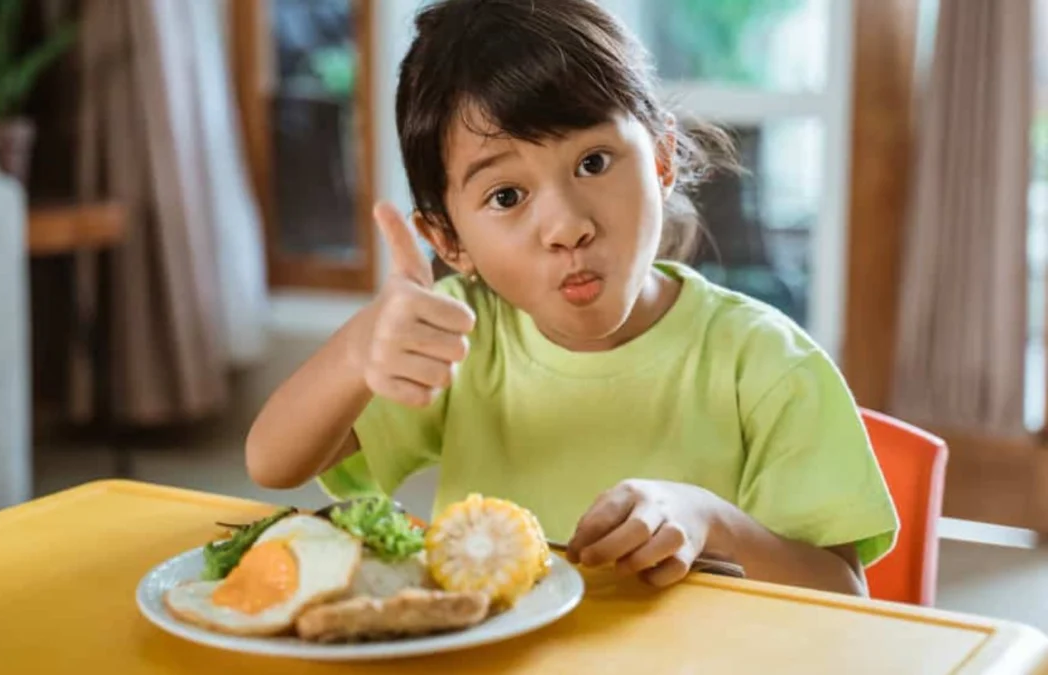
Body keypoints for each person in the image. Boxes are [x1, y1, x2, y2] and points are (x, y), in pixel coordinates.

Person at [245, 0, 897, 595]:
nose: (567, 227)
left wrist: (713, 520)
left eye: (593, 162)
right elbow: (272, 461)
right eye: (506, 196)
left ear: (663, 160)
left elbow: (844, 594)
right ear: (449, 239)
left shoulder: (765, 363)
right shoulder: (467, 337)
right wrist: (361, 347)